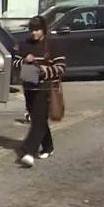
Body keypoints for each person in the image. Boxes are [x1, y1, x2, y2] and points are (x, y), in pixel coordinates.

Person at [11, 15, 66, 168]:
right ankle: (48, 147)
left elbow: (61, 67)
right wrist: (24, 61)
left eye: (37, 30)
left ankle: (29, 151)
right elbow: (14, 63)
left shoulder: (52, 45)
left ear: (43, 30)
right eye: (32, 30)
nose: (34, 33)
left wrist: (46, 70)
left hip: (45, 88)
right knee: (38, 119)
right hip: (29, 87)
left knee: (38, 120)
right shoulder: (24, 44)